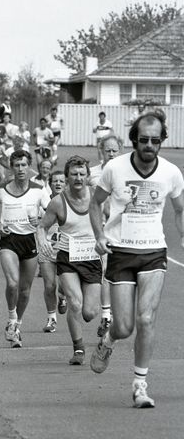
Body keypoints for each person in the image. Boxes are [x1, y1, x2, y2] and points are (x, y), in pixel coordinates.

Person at [89, 111, 184, 408]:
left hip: (154, 252)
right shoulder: (115, 169)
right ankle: (108, 340)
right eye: (144, 140)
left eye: (155, 141)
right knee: (124, 327)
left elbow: (180, 209)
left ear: (162, 142)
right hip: (120, 252)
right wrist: (100, 236)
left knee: (146, 319)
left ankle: (140, 385)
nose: (149, 146)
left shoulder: (171, 173)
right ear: (134, 140)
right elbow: (96, 204)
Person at [37, 156, 102, 365]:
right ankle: (79, 349)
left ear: (88, 176)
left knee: (90, 312)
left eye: (82, 174)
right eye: (74, 174)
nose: (78, 178)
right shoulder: (58, 202)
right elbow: (41, 226)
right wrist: (43, 242)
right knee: (75, 303)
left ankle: (65, 293)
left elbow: (113, 218)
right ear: (67, 178)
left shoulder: (97, 197)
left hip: (92, 258)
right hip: (68, 258)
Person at [0, 149, 51, 348]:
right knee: (12, 283)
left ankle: (17, 325)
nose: (21, 169)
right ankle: (11, 318)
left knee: (24, 290)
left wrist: (40, 219)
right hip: (9, 240)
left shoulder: (39, 190)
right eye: (17, 165)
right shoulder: (3, 188)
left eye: (24, 165)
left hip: (30, 241)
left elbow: (52, 213)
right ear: (11, 167)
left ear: (29, 166)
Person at [89, 134, 123, 337]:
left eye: (114, 150)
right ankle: (106, 315)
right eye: (107, 150)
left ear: (120, 151)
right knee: (101, 271)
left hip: (120, 231)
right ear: (101, 151)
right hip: (97, 230)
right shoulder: (92, 174)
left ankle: (108, 315)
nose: (110, 154)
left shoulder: (126, 174)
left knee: (111, 274)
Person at [36, 170, 67, 333]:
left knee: (64, 285)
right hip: (47, 248)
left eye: (61, 181)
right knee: (49, 285)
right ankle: (51, 319)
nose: (58, 184)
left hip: (66, 249)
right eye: (55, 181)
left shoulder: (70, 202)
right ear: (50, 183)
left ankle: (62, 296)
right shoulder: (43, 201)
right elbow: (37, 223)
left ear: (66, 183)